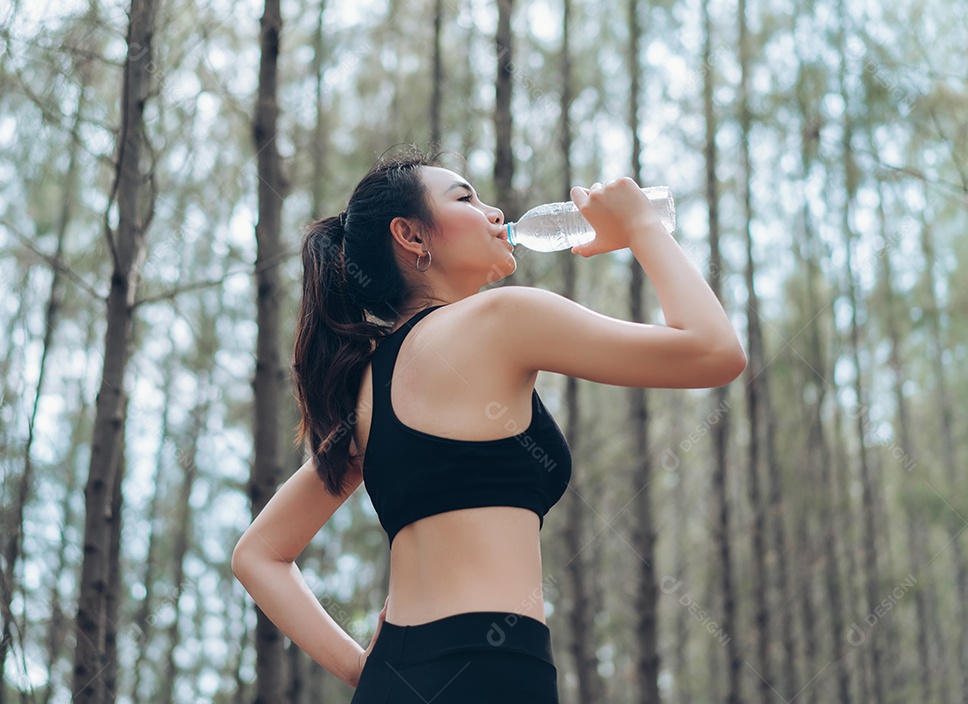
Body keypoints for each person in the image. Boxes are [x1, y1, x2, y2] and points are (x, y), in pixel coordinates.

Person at [231, 150, 746, 702]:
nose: (495, 211)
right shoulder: (503, 319)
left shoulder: (368, 392)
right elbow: (715, 352)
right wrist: (642, 223)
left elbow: (258, 554)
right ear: (410, 235)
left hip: (397, 680)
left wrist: (363, 669)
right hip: (493, 672)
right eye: (465, 198)